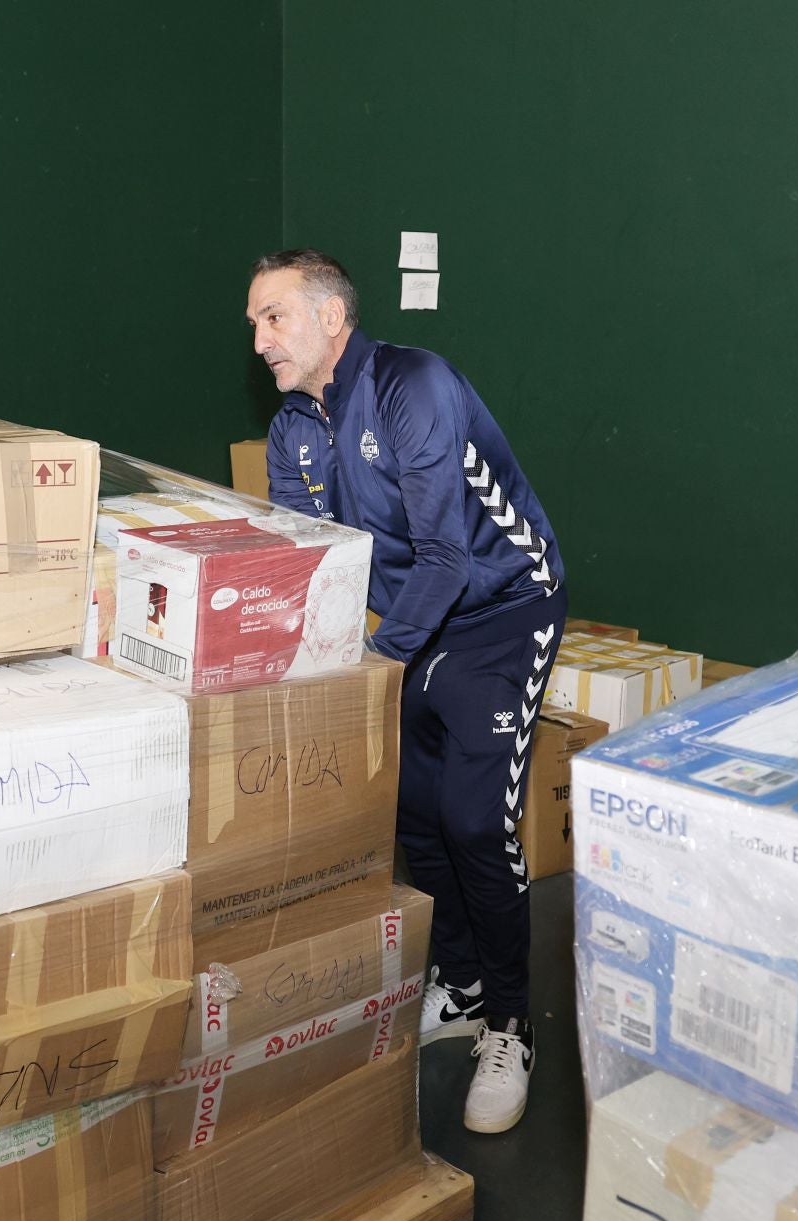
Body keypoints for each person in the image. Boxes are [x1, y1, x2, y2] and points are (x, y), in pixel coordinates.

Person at [247, 249, 566, 1133]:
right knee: (416, 816)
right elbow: (310, 564)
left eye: (274, 317)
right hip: (412, 624)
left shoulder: (411, 386)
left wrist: (373, 663)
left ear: (330, 319)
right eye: (254, 324)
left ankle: (510, 1022)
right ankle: (460, 985)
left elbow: (448, 557)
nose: (261, 340)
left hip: (502, 609)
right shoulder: (292, 431)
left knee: (474, 818)